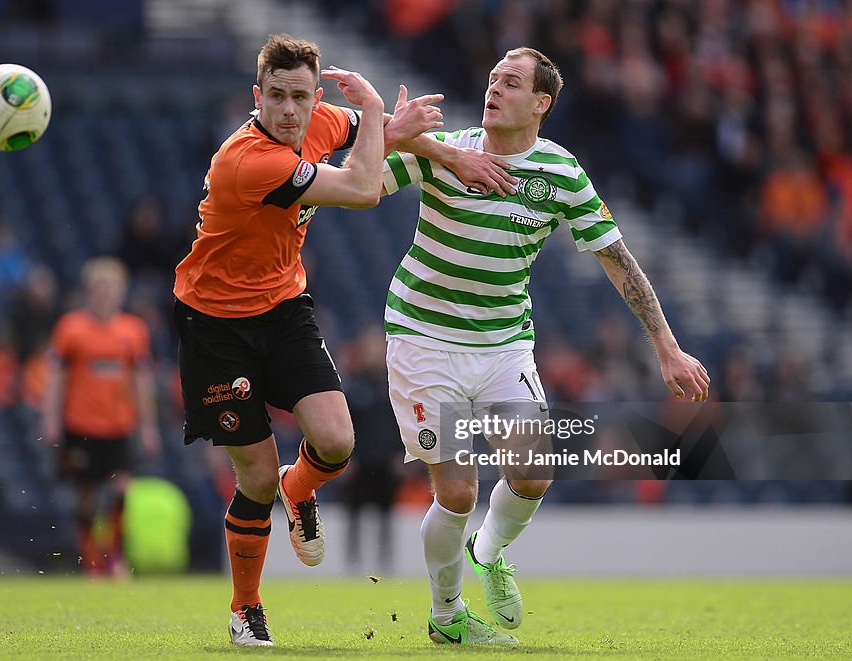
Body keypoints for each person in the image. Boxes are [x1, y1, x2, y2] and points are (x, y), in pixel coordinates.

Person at [381, 47, 711, 646]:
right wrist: (398, 137)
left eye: (511, 83)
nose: (495, 88)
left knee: (533, 471)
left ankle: (489, 552)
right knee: (457, 491)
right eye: (492, 79)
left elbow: (617, 258)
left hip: (505, 342)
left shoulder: (561, 172)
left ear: (541, 104)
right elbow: (361, 180)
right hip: (425, 337)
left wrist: (665, 345)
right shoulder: (445, 148)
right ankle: (447, 615)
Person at [172, 33, 446, 647]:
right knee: (257, 478)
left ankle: (301, 489)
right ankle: (246, 608)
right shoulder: (248, 161)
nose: (290, 110)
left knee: (337, 442)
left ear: (315, 94)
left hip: (285, 309)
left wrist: (440, 149)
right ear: (257, 96)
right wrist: (377, 113)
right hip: (217, 327)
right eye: (277, 97)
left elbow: (382, 136)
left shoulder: (320, 120)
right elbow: (362, 189)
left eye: (300, 96)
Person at [43, 257, 160, 577]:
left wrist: (148, 427)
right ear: (89, 291)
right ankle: (91, 561)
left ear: (121, 291)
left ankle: (114, 556)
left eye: (112, 287)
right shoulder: (70, 328)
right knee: (86, 496)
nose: (105, 293)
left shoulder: (133, 330)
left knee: (122, 488)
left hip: (120, 424)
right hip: (80, 425)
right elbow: (56, 376)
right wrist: (51, 417)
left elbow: (142, 380)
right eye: (99, 287)